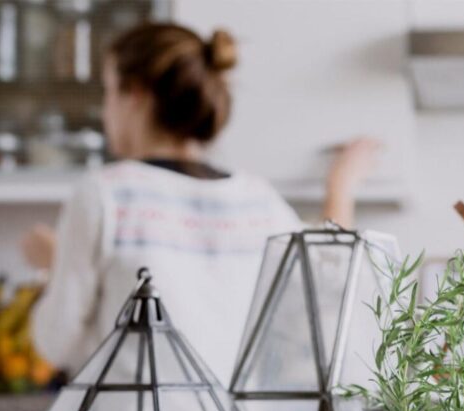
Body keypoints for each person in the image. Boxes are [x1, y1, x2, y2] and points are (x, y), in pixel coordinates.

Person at [22, 22, 380, 383]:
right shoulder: (258, 202)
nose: (105, 112)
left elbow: (56, 343)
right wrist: (341, 185)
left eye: (109, 92)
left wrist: (55, 266)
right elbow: (329, 289)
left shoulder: (105, 195)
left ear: (137, 94)